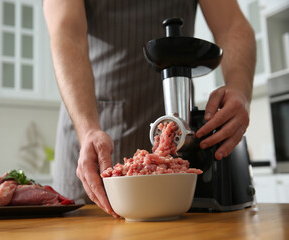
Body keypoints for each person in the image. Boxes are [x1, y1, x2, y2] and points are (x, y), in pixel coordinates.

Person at [43, 0, 256, 218]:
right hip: (91, 132)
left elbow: (232, 26)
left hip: (176, 142)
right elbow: (67, 34)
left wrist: (239, 90)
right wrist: (87, 129)